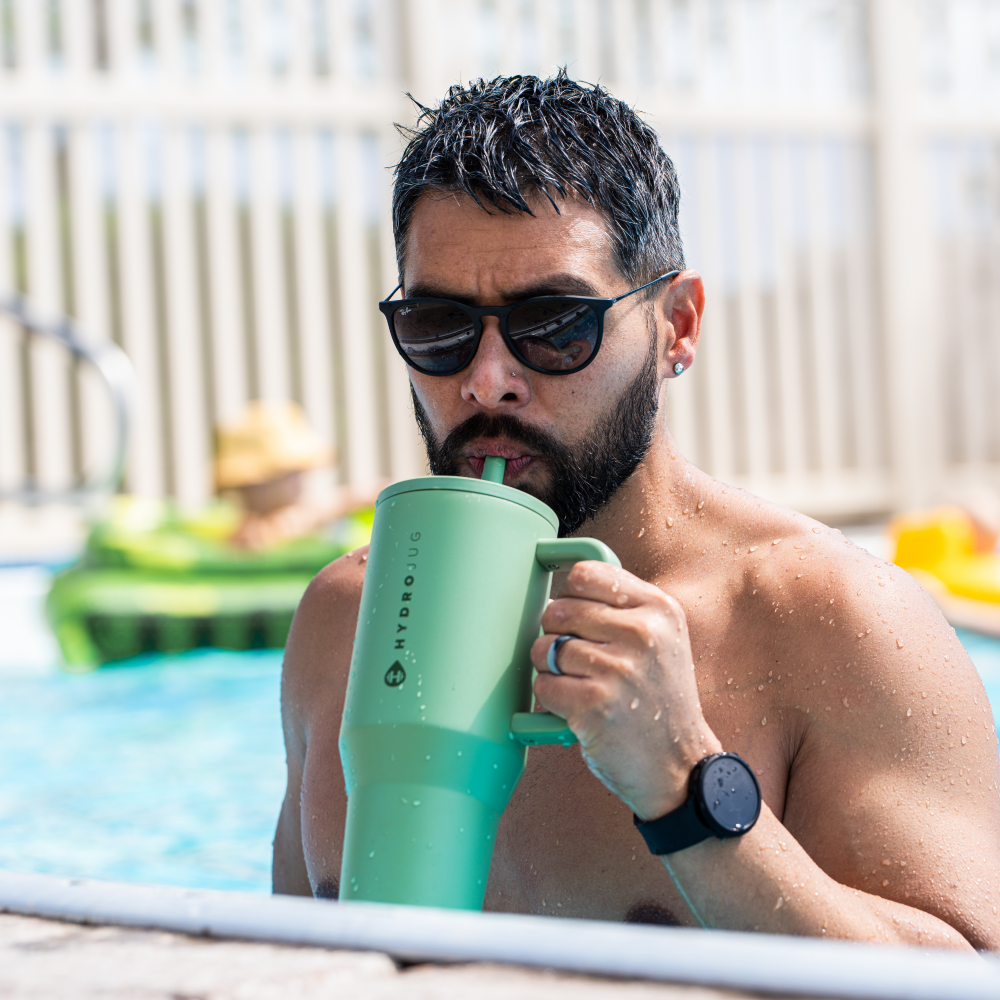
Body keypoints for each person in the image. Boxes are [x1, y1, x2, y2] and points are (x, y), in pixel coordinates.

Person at [272, 73, 1000, 950]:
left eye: (556, 323)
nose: (488, 380)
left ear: (677, 325)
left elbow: (968, 978)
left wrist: (685, 782)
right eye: (439, 324)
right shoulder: (342, 624)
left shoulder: (829, 620)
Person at [214, 400, 374, 549]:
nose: (301, 477)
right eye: (292, 471)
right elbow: (281, 527)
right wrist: (347, 500)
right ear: (259, 483)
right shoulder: (252, 532)